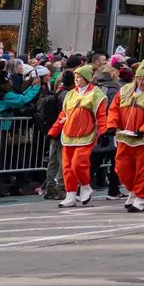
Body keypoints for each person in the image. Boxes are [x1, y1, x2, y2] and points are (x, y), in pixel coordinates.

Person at [48, 63, 109, 208]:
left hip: (86, 134)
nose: (76, 79)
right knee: (67, 167)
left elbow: (101, 115)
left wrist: (104, 131)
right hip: (69, 134)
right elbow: (64, 115)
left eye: (80, 77)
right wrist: (54, 130)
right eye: (75, 77)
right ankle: (70, 194)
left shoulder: (96, 93)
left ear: (87, 78)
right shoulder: (70, 94)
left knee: (78, 163)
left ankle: (86, 186)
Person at [111, 62, 144, 211]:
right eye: (140, 79)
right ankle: (132, 190)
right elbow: (114, 109)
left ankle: (141, 198)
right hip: (125, 136)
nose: (142, 82)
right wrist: (112, 125)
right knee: (122, 168)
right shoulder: (124, 90)